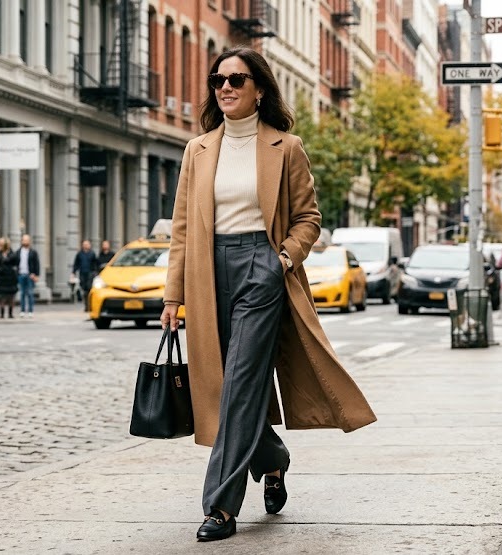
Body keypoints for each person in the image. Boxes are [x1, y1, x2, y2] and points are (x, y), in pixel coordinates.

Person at [160, 47, 376, 542]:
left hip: (262, 266)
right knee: (224, 386)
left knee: (237, 383)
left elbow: (309, 218)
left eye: (237, 79)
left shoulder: (286, 146)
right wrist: (173, 297)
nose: (226, 88)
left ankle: (220, 506)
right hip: (207, 271)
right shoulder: (198, 150)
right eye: (218, 80)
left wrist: (281, 259)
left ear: (259, 88)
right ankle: (273, 460)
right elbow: (183, 228)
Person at [0, 237, 18, 318]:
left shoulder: (12, 254)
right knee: (2, 295)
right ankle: (2, 313)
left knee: (11, 295)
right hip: (1, 277)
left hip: (10, 277)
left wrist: (13, 270)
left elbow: (16, 263)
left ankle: (10, 313)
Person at [16, 234, 41, 318]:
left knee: (30, 293)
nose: (25, 242)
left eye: (27, 240)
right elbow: (15, 263)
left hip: (30, 275)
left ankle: (30, 311)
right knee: (22, 293)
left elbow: (37, 264)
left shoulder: (33, 252)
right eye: (24, 240)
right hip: (21, 274)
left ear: (29, 241)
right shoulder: (18, 252)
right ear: (22, 241)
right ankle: (22, 310)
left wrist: (36, 274)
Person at [72, 240, 99, 311]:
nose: (86, 246)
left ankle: (89, 305)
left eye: (87, 244)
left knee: (89, 289)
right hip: (82, 273)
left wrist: (95, 272)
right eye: (84, 244)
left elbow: (95, 264)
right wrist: (73, 272)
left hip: (90, 274)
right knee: (84, 289)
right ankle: (86, 305)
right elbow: (76, 264)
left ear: (89, 245)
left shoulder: (92, 254)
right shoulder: (79, 254)